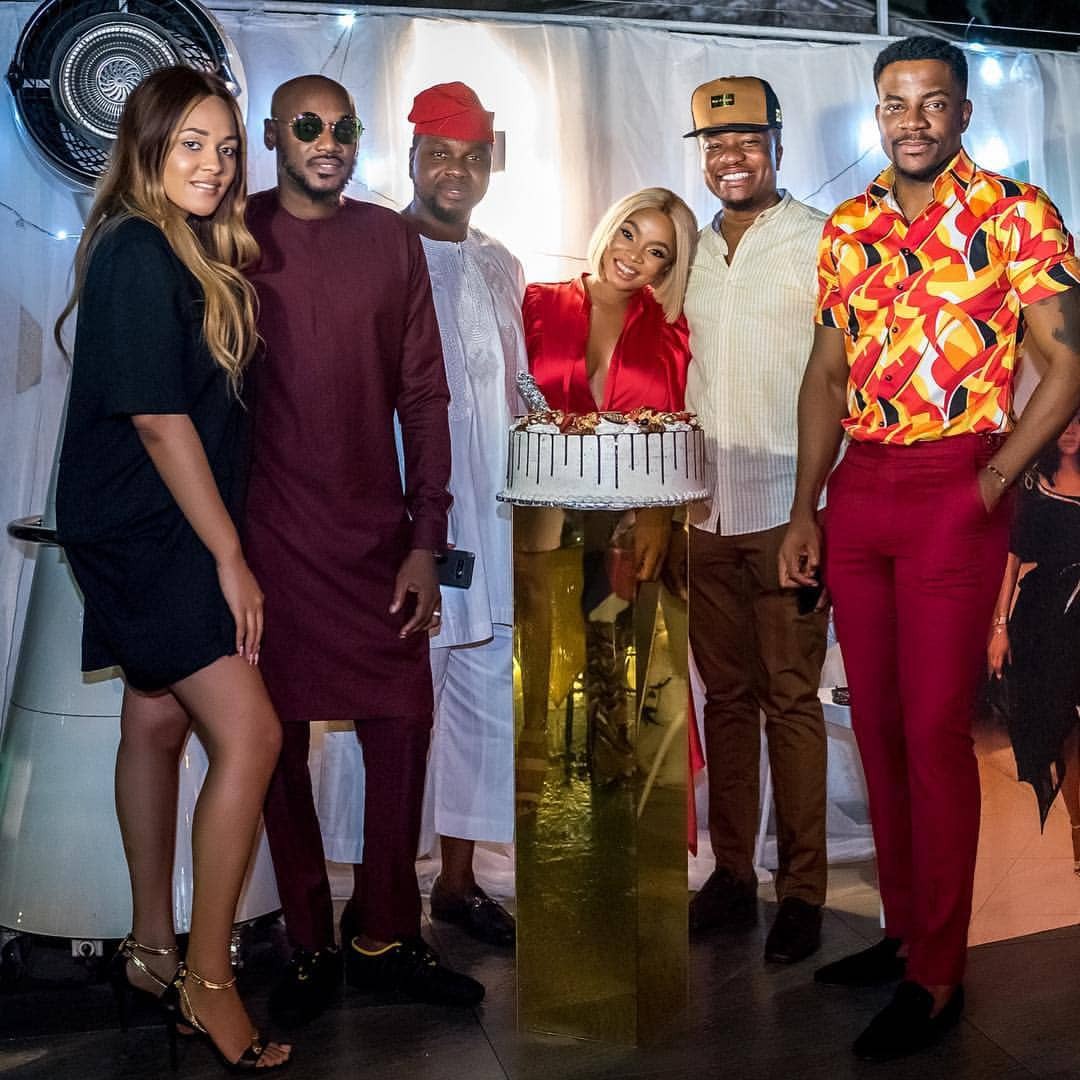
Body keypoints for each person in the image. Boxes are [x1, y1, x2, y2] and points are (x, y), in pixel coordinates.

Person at [778, 35, 1080, 1061]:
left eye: (932, 102)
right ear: (878, 114)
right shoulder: (851, 226)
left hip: (957, 482)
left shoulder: (1015, 214)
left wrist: (996, 478)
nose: (912, 120)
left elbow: (1067, 362)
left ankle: (939, 974)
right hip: (860, 488)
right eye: (894, 104)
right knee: (877, 725)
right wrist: (805, 506)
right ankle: (906, 931)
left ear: (961, 112)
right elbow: (826, 374)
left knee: (936, 734)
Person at [53, 66, 290, 1071]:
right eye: (191, 143)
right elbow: (157, 419)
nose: (214, 164)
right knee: (254, 735)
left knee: (154, 723)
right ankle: (207, 980)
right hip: (149, 532)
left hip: (155, 524)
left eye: (227, 148)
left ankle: (151, 951)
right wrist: (231, 557)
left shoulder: (177, 246)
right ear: (147, 147)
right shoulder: (139, 248)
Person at [243, 74, 481, 1028]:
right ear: (273, 133)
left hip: (379, 538)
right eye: (308, 125)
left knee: (403, 726)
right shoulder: (232, 232)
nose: (327, 141)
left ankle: (386, 931)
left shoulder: (388, 237)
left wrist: (428, 537)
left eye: (343, 127)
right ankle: (308, 939)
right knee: (275, 742)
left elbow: (424, 395)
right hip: (268, 537)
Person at [679, 75, 829, 965]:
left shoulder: (821, 240)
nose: (731, 158)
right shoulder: (689, 252)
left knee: (792, 699)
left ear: (777, 144)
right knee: (727, 699)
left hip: (787, 510)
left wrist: (814, 508)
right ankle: (732, 875)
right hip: (705, 512)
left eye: (746, 141)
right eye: (714, 145)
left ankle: (802, 891)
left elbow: (841, 382)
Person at [396, 82, 522, 947]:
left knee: (481, 698)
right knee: (399, 703)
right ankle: (379, 898)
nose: (456, 171)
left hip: (493, 521)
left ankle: (459, 881)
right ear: (411, 158)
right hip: (410, 522)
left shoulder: (501, 262)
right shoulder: (379, 250)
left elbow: (516, 386)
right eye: (439, 154)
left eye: (472, 158)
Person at [519, 187, 697, 781]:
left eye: (657, 252)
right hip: (540, 516)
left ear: (667, 269)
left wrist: (660, 515)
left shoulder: (673, 329)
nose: (634, 256)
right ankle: (536, 763)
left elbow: (679, 423)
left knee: (618, 659)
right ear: (610, 226)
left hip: (629, 524)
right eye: (629, 233)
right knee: (537, 650)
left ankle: (615, 786)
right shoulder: (536, 302)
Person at [988, 412, 1080, 857]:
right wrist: (999, 626)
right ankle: (1079, 832)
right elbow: (1010, 558)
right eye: (1064, 420)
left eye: (1079, 421)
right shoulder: (1033, 485)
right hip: (1047, 620)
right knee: (1059, 728)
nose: (1071, 429)